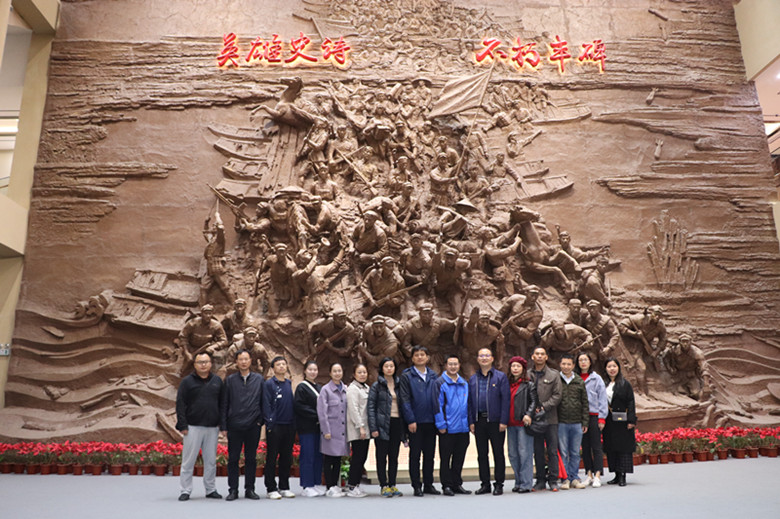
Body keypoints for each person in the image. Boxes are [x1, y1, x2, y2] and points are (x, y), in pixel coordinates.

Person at [176, 352, 224, 501]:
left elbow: (222, 404)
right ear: (195, 365)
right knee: (188, 460)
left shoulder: (217, 381)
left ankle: (210, 489)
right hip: (192, 427)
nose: (203, 365)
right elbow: (180, 404)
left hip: (212, 427)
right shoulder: (187, 382)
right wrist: (182, 424)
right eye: (200, 362)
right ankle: (185, 490)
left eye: (206, 362)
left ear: (210, 364)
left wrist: (222, 424)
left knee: (210, 461)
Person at [221, 349, 264, 501]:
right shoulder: (230, 380)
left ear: (251, 360)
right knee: (233, 458)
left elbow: (263, 401)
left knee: (251, 458)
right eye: (241, 359)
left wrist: (260, 421)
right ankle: (233, 490)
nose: (244, 362)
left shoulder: (259, 379)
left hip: (253, 425)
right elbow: (225, 403)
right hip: (235, 426)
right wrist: (224, 425)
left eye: (246, 359)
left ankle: (250, 489)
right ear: (236, 362)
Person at [467, 347, 510, 495]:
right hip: (479, 421)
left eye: (487, 355)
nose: (484, 358)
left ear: (492, 358)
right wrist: (471, 421)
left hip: (496, 421)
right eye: (481, 356)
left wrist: (503, 421)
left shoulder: (500, 377)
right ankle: (485, 484)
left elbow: (505, 400)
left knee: (498, 453)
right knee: (482, 454)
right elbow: (470, 402)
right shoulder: (473, 379)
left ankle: (499, 484)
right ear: (477, 359)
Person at [399, 345, 440, 496]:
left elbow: (438, 398)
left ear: (427, 357)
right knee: (415, 455)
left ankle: (429, 484)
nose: (420, 357)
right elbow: (404, 399)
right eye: (417, 355)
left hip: (431, 421)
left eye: (423, 354)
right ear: (412, 358)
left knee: (429, 456)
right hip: (415, 422)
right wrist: (410, 420)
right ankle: (416, 485)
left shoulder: (433, 375)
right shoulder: (407, 376)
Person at [368, 357, 406, 498]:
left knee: (394, 456)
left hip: (397, 423)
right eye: (386, 366)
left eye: (391, 366)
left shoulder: (399, 384)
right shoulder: (376, 386)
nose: (389, 368)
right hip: (382, 424)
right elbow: (371, 408)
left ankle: (392, 484)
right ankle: (383, 485)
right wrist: (373, 428)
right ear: (382, 368)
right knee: (381, 456)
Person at [435, 355, 471, 496]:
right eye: (450, 364)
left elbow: (468, 405)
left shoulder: (464, 383)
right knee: (445, 459)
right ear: (446, 366)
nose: (453, 367)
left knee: (459, 458)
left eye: (455, 364)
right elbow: (437, 406)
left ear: (459, 365)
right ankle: (447, 485)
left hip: (463, 428)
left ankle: (457, 484)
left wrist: (469, 423)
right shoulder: (440, 383)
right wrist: (441, 424)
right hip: (447, 428)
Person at [529, 346, 562, 491]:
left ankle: (553, 479)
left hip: (550, 418)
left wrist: (543, 407)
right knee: (538, 451)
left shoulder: (554, 374)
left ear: (546, 357)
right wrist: (532, 410)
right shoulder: (527, 374)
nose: (540, 356)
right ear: (532, 357)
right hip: (533, 419)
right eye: (537, 354)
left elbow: (557, 395)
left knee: (552, 450)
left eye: (542, 354)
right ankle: (540, 480)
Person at [262, 356, 296, 499]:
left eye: (283, 364)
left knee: (286, 458)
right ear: (273, 368)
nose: (281, 366)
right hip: (275, 426)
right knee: (272, 457)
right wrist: (269, 422)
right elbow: (266, 404)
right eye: (278, 364)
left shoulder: (288, 383)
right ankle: (271, 488)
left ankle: (284, 486)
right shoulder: (269, 384)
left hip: (289, 425)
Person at [556, 353, 589, 490]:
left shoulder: (579, 381)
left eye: (569, 364)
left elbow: (585, 403)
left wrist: (585, 422)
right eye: (563, 364)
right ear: (560, 365)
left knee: (575, 452)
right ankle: (565, 479)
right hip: (561, 422)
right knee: (563, 452)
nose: (566, 366)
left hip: (577, 422)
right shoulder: (556, 379)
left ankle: (574, 477)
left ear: (573, 365)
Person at [602, 357, 637, 487]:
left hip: (623, 421)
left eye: (614, 366)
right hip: (609, 421)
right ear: (605, 369)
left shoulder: (625, 384)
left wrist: (631, 420)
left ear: (618, 368)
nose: (612, 369)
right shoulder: (604, 384)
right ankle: (616, 475)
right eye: (609, 366)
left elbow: (631, 402)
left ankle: (623, 475)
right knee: (611, 447)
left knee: (623, 448)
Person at [576, 352, 608, 488]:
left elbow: (602, 398)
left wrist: (602, 418)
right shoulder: (575, 378)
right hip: (580, 417)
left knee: (596, 446)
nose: (583, 362)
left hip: (594, 416)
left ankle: (597, 475)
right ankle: (589, 474)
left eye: (585, 360)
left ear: (590, 362)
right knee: (585, 447)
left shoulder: (596, 378)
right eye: (580, 360)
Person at [317, 363, 349, 498]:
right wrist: (326, 430)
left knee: (338, 459)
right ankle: (329, 486)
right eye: (334, 371)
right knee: (329, 459)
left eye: (339, 371)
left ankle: (335, 485)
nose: (337, 373)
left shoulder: (346, 389)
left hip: (342, 431)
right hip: (331, 430)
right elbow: (322, 412)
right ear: (330, 373)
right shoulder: (325, 390)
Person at [294, 361, 325, 497]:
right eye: (310, 369)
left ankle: (316, 483)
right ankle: (307, 485)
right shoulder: (302, 387)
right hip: (306, 427)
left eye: (315, 369)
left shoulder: (319, 387)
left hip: (319, 428)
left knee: (318, 456)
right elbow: (299, 406)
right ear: (305, 371)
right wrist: (318, 414)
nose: (313, 372)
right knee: (308, 456)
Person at [506, 356, 536, 494]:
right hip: (510, 424)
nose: (515, 369)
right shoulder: (507, 384)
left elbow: (534, 401)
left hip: (523, 424)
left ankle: (526, 483)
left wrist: (528, 414)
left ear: (523, 369)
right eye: (513, 366)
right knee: (513, 454)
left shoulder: (528, 384)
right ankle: (518, 481)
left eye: (518, 366)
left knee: (525, 453)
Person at [346, 364, 371, 497]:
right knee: (357, 457)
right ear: (354, 374)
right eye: (359, 372)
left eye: (364, 372)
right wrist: (360, 426)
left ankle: (356, 484)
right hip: (358, 429)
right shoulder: (352, 389)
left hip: (365, 428)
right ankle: (351, 486)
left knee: (362, 457)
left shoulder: (366, 387)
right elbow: (353, 409)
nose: (362, 374)